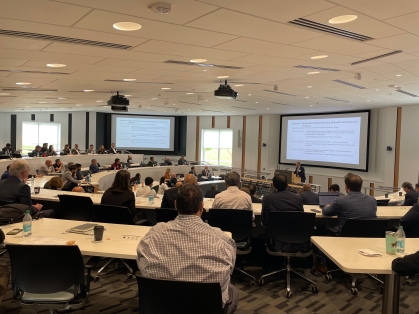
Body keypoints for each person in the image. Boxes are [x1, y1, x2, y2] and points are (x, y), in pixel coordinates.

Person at [137, 184, 238, 314]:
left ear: (175, 205)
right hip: (206, 308)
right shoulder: (222, 238)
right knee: (232, 290)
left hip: (160, 306)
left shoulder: (154, 233)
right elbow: (230, 269)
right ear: (202, 207)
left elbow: (140, 260)